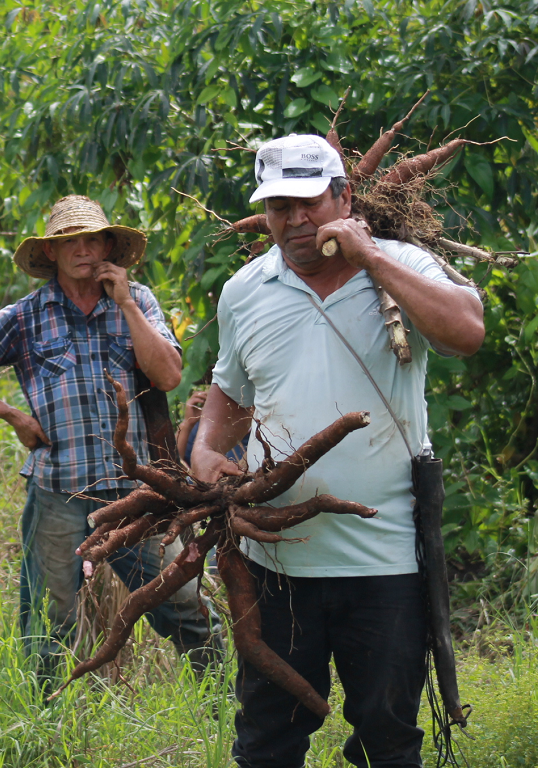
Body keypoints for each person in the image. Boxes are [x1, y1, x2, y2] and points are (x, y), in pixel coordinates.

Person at [190, 134, 484, 766]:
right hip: (276, 566)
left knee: (388, 734)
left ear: (343, 198)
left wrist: (372, 259)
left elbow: (466, 333)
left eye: (309, 203)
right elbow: (228, 403)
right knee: (267, 737)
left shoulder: (401, 264)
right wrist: (207, 455)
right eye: (277, 208)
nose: (295, 221)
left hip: (386, 565)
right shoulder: (245, 291)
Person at [0, 194, 223, 684]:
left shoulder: (137, 300)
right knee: (49, 621)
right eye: (71, 242)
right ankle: (45, 727)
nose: (84, 249)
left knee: (184, 604)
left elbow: (169, 376)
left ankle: (225, 705)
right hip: (58, 489)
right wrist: (11, 415)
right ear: (53, 253)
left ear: (108, 245)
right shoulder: (26, 315)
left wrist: (125, 302)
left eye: (93, 239)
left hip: (134, 491)